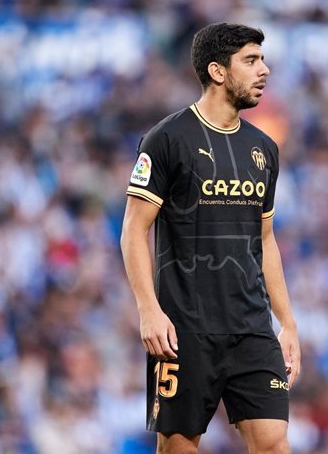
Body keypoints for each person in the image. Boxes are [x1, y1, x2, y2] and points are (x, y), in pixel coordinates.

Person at [120, 23, 300, 453]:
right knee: (180, 445)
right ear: (218, 72)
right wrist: (148, 311)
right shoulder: (166, 139)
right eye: (252, 61)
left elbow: (266, 240)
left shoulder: (264, 149)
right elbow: (133, 231)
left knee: (274, 442)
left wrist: (287, 321)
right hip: (186, 327)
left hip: (251, 325)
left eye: (263, 59)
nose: (265, 70)